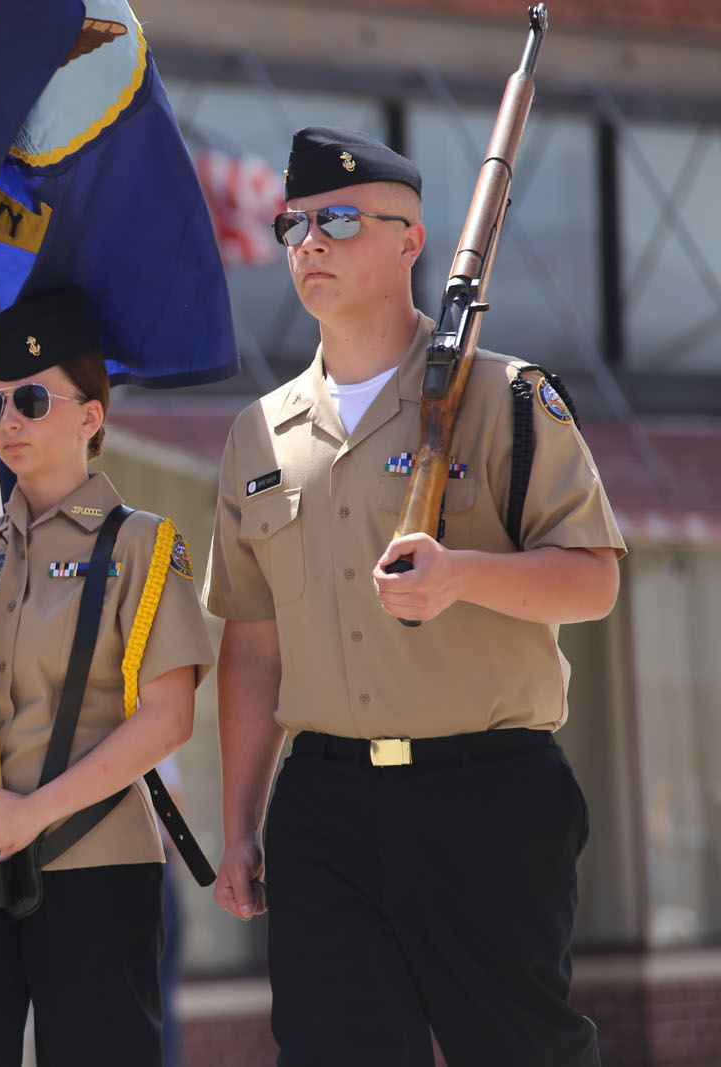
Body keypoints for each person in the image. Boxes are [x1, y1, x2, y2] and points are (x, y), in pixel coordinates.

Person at [206, 126, 625, 1067]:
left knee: (519, 1049)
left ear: (411, 239)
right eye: (294, 224)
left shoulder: (509, 398)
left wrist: (463, 575)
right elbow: (254, 641)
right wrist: (238, 824)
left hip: (483, 791)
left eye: (340, 219)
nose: (309, 242)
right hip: (322, 799)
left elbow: (594, 578)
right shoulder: (258, 437)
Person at [0, 287, 215, 1067]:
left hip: (91, 851)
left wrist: (34, 812)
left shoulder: (142, 543)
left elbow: (168, 718)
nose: (7, 420)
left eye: (33, 399)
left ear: (91, 414)